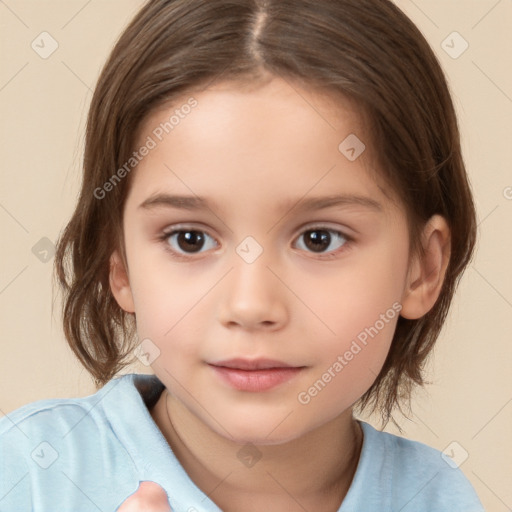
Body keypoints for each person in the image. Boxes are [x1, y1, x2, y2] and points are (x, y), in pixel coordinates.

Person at [0, 0, 485, 510]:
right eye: (190, 239)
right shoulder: (30, 474)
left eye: (320, 239)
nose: (251, 306)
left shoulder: (437, 497)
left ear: (422, 268)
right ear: (117, 264)